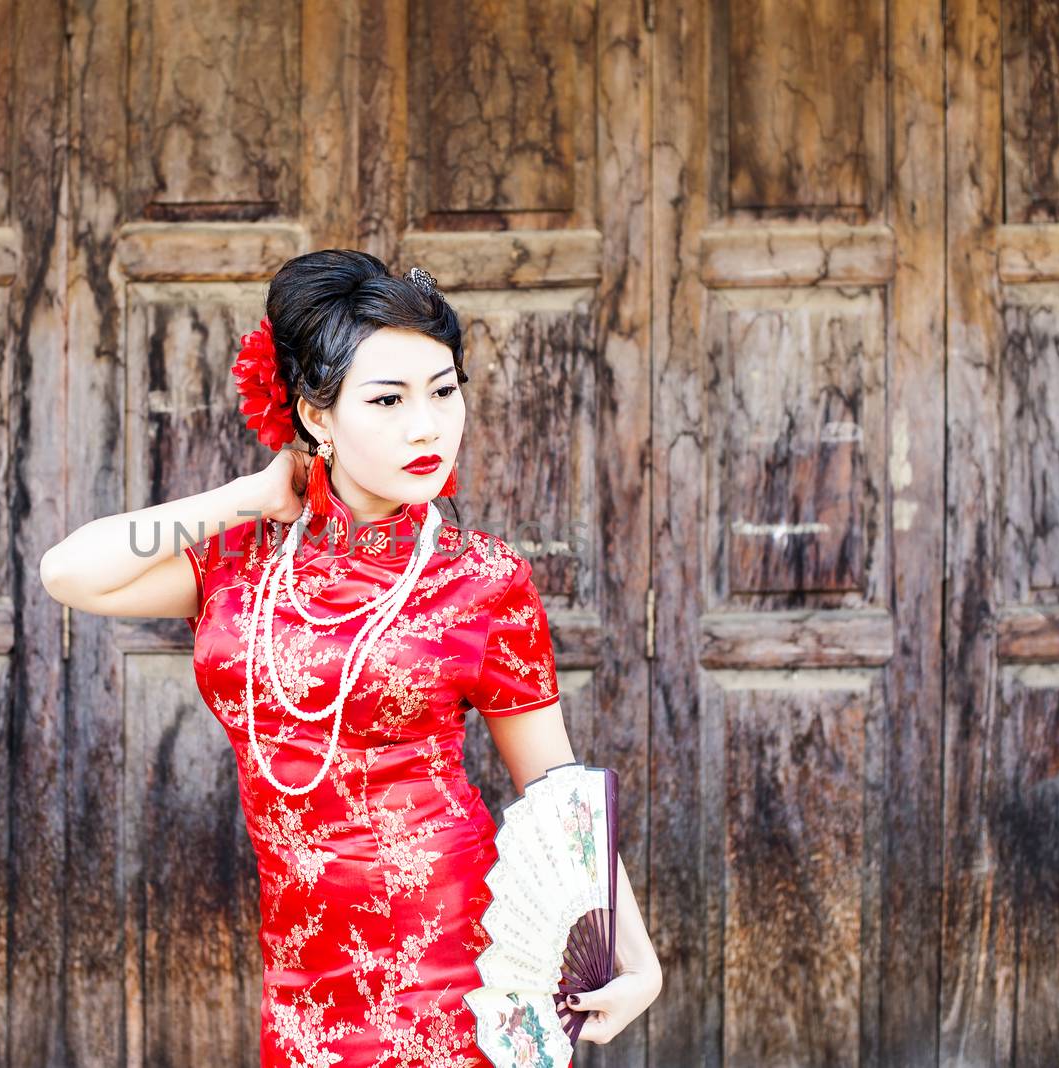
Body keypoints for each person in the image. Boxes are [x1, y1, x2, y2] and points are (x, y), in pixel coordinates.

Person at [40, 250, 661, 1065]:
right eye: (388, 399)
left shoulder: (483, 580)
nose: (427, 426)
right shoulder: (242, 560)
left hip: (449, 957)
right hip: (301, 973)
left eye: (444, 391)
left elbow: (553, 784)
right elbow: (68, 571)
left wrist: (637, 958)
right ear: (316, 416)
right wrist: (251, 496)